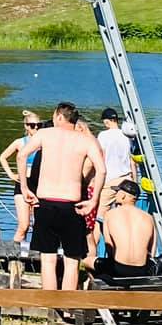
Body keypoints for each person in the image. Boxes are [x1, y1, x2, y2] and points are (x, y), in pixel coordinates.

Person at [25, 102, 104, 292]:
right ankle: (67, 307)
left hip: (46, 201)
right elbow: (102, 169)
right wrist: (93, 201)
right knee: (71, 262)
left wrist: (25, 187)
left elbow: (22, 156)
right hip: (72, 204)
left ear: (60, 117)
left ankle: (51, 306)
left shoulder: (44, 134)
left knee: (48, 259)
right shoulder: (85, 140)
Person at [92, 179, 159, 282]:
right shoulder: (148, 218)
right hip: (142, 270)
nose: (115, 194)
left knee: (87, 262)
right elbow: (152, 251)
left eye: (117, 192)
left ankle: (96, 285)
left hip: (119, 269)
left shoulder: (109, 215)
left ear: (123, 196)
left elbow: (109, 247)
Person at [0, 110, 43, 246]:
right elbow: (3, 157)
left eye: (39, 125)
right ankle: (13, 255)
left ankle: (35, 254)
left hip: (39, 184)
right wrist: (11, 174)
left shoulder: (43, 142)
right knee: (24, 225)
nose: (36, 128)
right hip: (22, 183)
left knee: (39, 225)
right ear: (26, 126)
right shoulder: (20, 142)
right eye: (33, 125)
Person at [97, 108, 136, 191]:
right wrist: (135, 182)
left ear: (107, 121)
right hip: (126, 179)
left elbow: (101, 158)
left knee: (101, 204)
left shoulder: (103, 135)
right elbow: (132, 161)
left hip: (110, 180)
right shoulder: (127, 135)